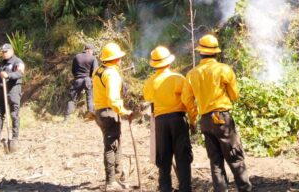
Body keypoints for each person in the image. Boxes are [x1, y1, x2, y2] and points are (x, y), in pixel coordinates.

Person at [182, 34, 252, 192]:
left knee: (215, 161)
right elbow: (235, 96)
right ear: (216, 52)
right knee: (234, 157)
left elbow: (187, 101)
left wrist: (193, 121)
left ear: (200, 52)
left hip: (205, 121)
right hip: (222, 119)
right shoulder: (224, 69)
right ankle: (244, 189)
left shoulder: (192, 74)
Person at [143, 46, 197, 192]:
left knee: (164, 158)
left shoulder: (150, 82)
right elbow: (188, 101)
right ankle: (185, 188)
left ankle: (165, 188)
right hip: (178, 120)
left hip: (160, 122)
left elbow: (148, 98)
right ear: (169, 62)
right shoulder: (178, 78)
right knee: (183, 157)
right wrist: (193, 120)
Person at [93, 42, 132, 192]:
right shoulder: (112, 74)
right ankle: (110, 182)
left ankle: (118, 173)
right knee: (110, 146)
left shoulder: (98, 71)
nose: (121, 60)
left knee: (115, 142)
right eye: (119, 58)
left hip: (100, 112)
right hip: (109, 111)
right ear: (116, 59)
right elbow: (113, 98)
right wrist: (123, 111)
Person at [0, 44, 26, 149]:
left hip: (13, 91)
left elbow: (20, 73)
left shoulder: (18, 61)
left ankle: (14, 139)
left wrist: (9, 75)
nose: (4, 53)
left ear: (11, 51)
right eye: (2, 52)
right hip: (2, 91)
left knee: (14, 115)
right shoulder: (1, 64)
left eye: (5, 51)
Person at [65, 44, 99, 120]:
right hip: (88, 80)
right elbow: (95, 72)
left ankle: (67, 118)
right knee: (89, 98)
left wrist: (77, 76)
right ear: (90, 50)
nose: (92, 52)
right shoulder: (93, 58)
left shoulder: (76, 57)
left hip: (77, 80)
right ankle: (90, 117)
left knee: (72, 99)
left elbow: (73, 70)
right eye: (92, 51)